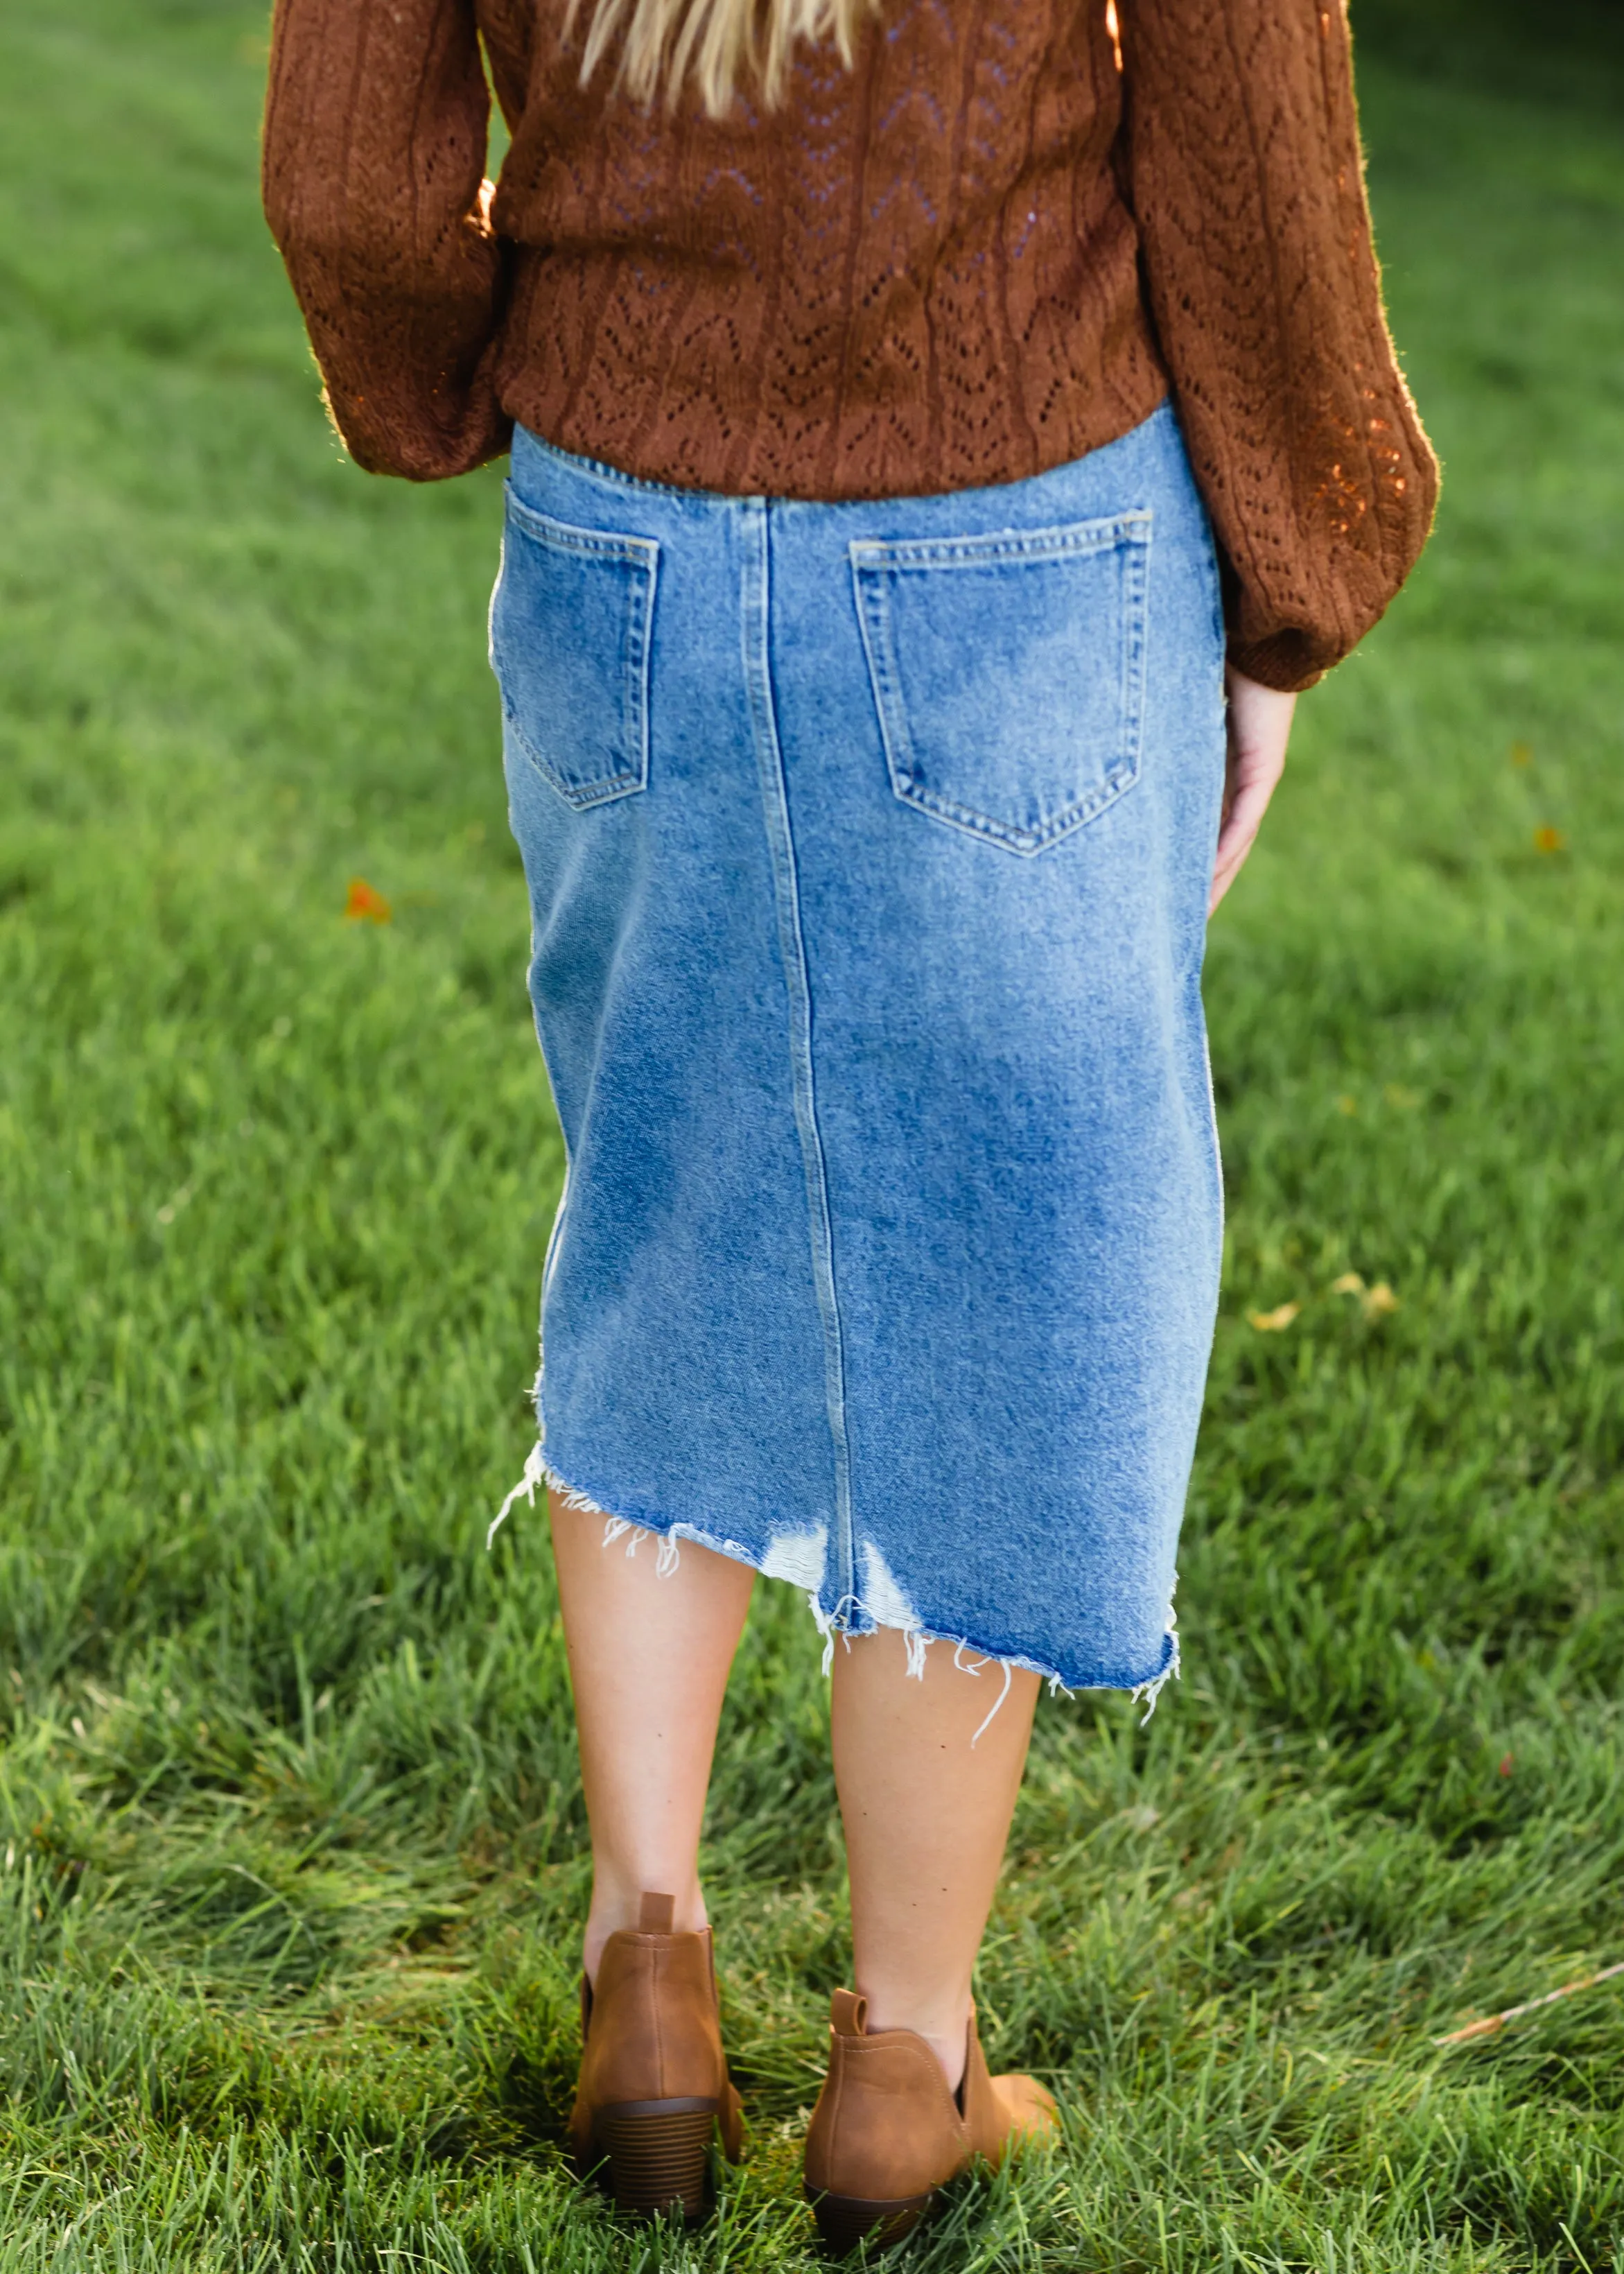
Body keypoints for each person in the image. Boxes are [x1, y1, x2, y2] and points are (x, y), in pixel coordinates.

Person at [263, 0, 1435, 2246]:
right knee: (1005, 1271)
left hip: (622, 539)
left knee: (667, 1203)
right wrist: (1285, 607)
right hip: (1022, 543)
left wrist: (452, 370)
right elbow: (1250, 137)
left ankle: (648, 1974)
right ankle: (905, 2059)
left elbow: (344, 164)